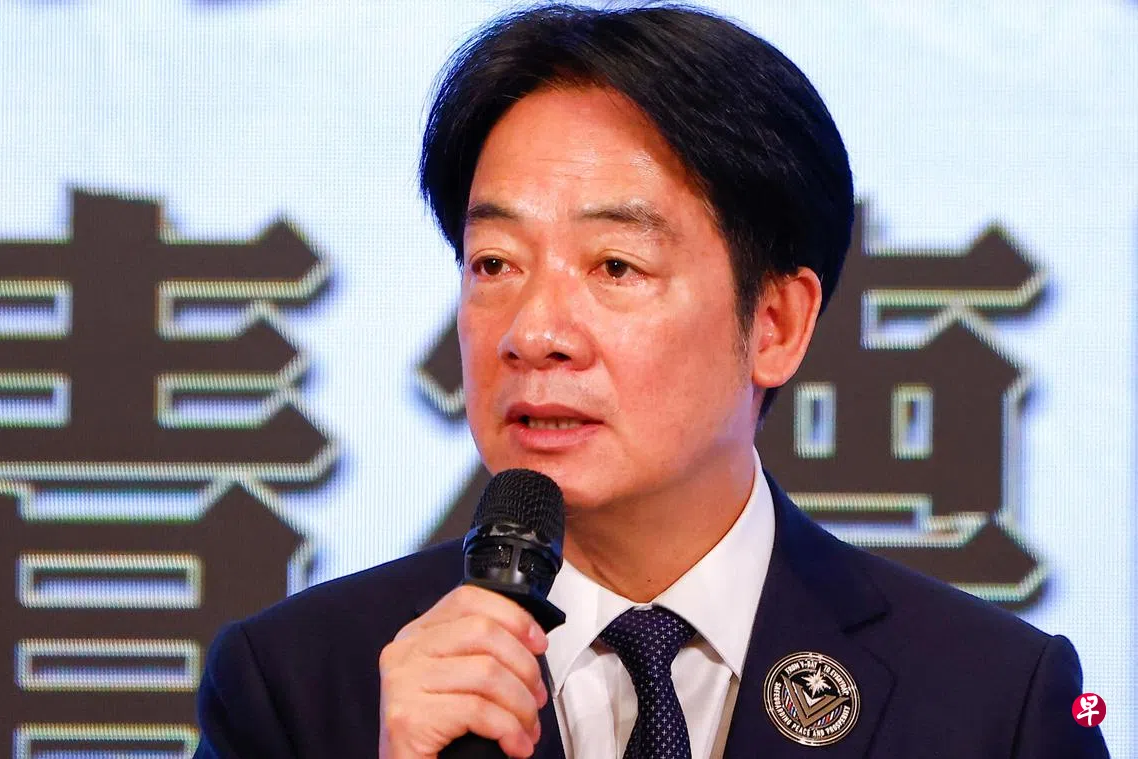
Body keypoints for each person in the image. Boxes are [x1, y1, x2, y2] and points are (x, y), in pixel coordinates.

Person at [193, 4, 1109, 758]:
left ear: (777, 324)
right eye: (495, 263)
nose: (534, 333)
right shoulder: (297, 687)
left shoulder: (995, 700)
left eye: (615, 266)